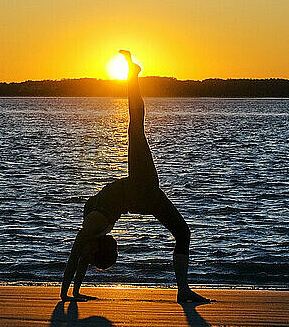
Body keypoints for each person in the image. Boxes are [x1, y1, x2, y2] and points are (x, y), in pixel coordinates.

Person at [60, 51, 210, 303]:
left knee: (136, 125)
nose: (116, 243)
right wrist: (71, 294)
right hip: (142, 190)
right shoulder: (94, 231)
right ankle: (132, 73)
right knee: (135, 125)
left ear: (100, 248)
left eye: (113, 248)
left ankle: (132, 73)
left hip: (143, 194)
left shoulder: (93, 228)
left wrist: (68, 293)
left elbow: (76, 257)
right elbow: (80, 259)